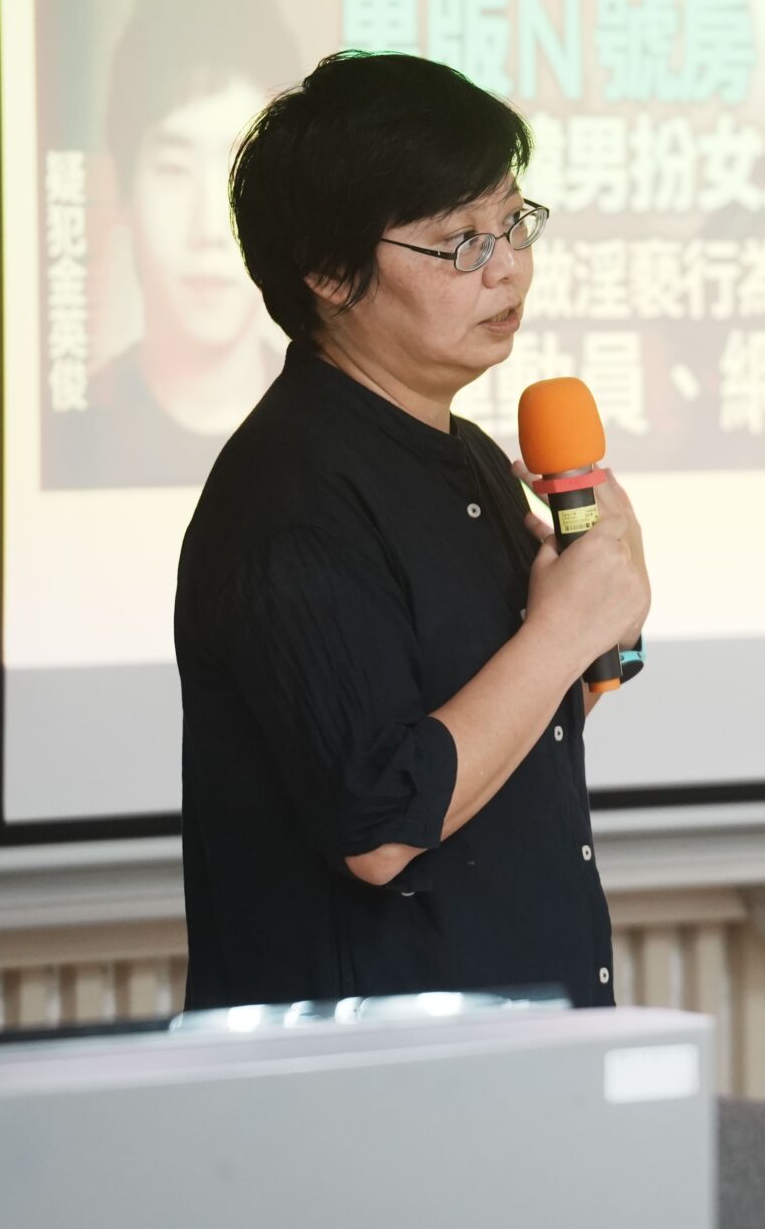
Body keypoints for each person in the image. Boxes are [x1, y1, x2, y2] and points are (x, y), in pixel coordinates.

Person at [175, 50, 650, 1010]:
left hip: (513, 1035)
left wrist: (602, 627)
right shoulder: (292, 496)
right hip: (375, 1067)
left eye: (511, 221)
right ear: (328, 271)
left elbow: (503, 737)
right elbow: (383, 824)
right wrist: (562, 630)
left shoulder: (466, 455)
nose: (507, 265)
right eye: (461, 241)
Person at [47, 0, 298, 489]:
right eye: (173, 169)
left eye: (238, 173)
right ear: (125, 193)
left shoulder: (333, 430)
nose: (207, 229)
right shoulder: (66, 437)